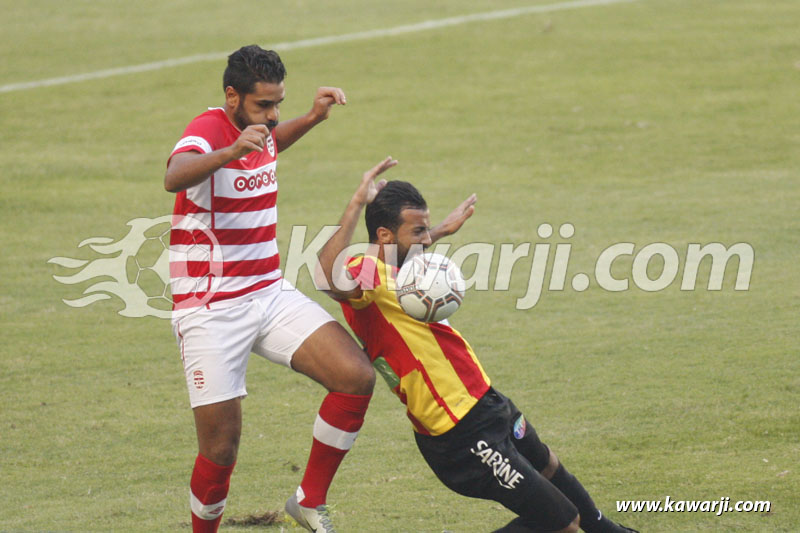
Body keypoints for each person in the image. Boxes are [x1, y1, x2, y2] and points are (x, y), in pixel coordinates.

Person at [316, 157, 639, 533]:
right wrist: (357, 202)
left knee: (547, 463)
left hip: (485, 400)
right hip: (456, 430)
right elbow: (328, 277)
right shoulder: (363, 270)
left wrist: (437, 231)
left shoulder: (402, 266)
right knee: (560, 521)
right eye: (417, 231)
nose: (425, 240)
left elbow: (400, 260)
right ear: (386, 235)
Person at [164, 45, 375, 533]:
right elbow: (174, 175)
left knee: (355, 376)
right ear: (232, 96)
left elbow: (273, 141)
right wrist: (230, 151)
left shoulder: (262, 131)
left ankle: (308, 499)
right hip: (211, 309)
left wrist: (312, 118)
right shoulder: (208, 129)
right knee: (220, 452)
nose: (272, 114)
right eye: (263, 105)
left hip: (268, 292)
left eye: (278, 103)